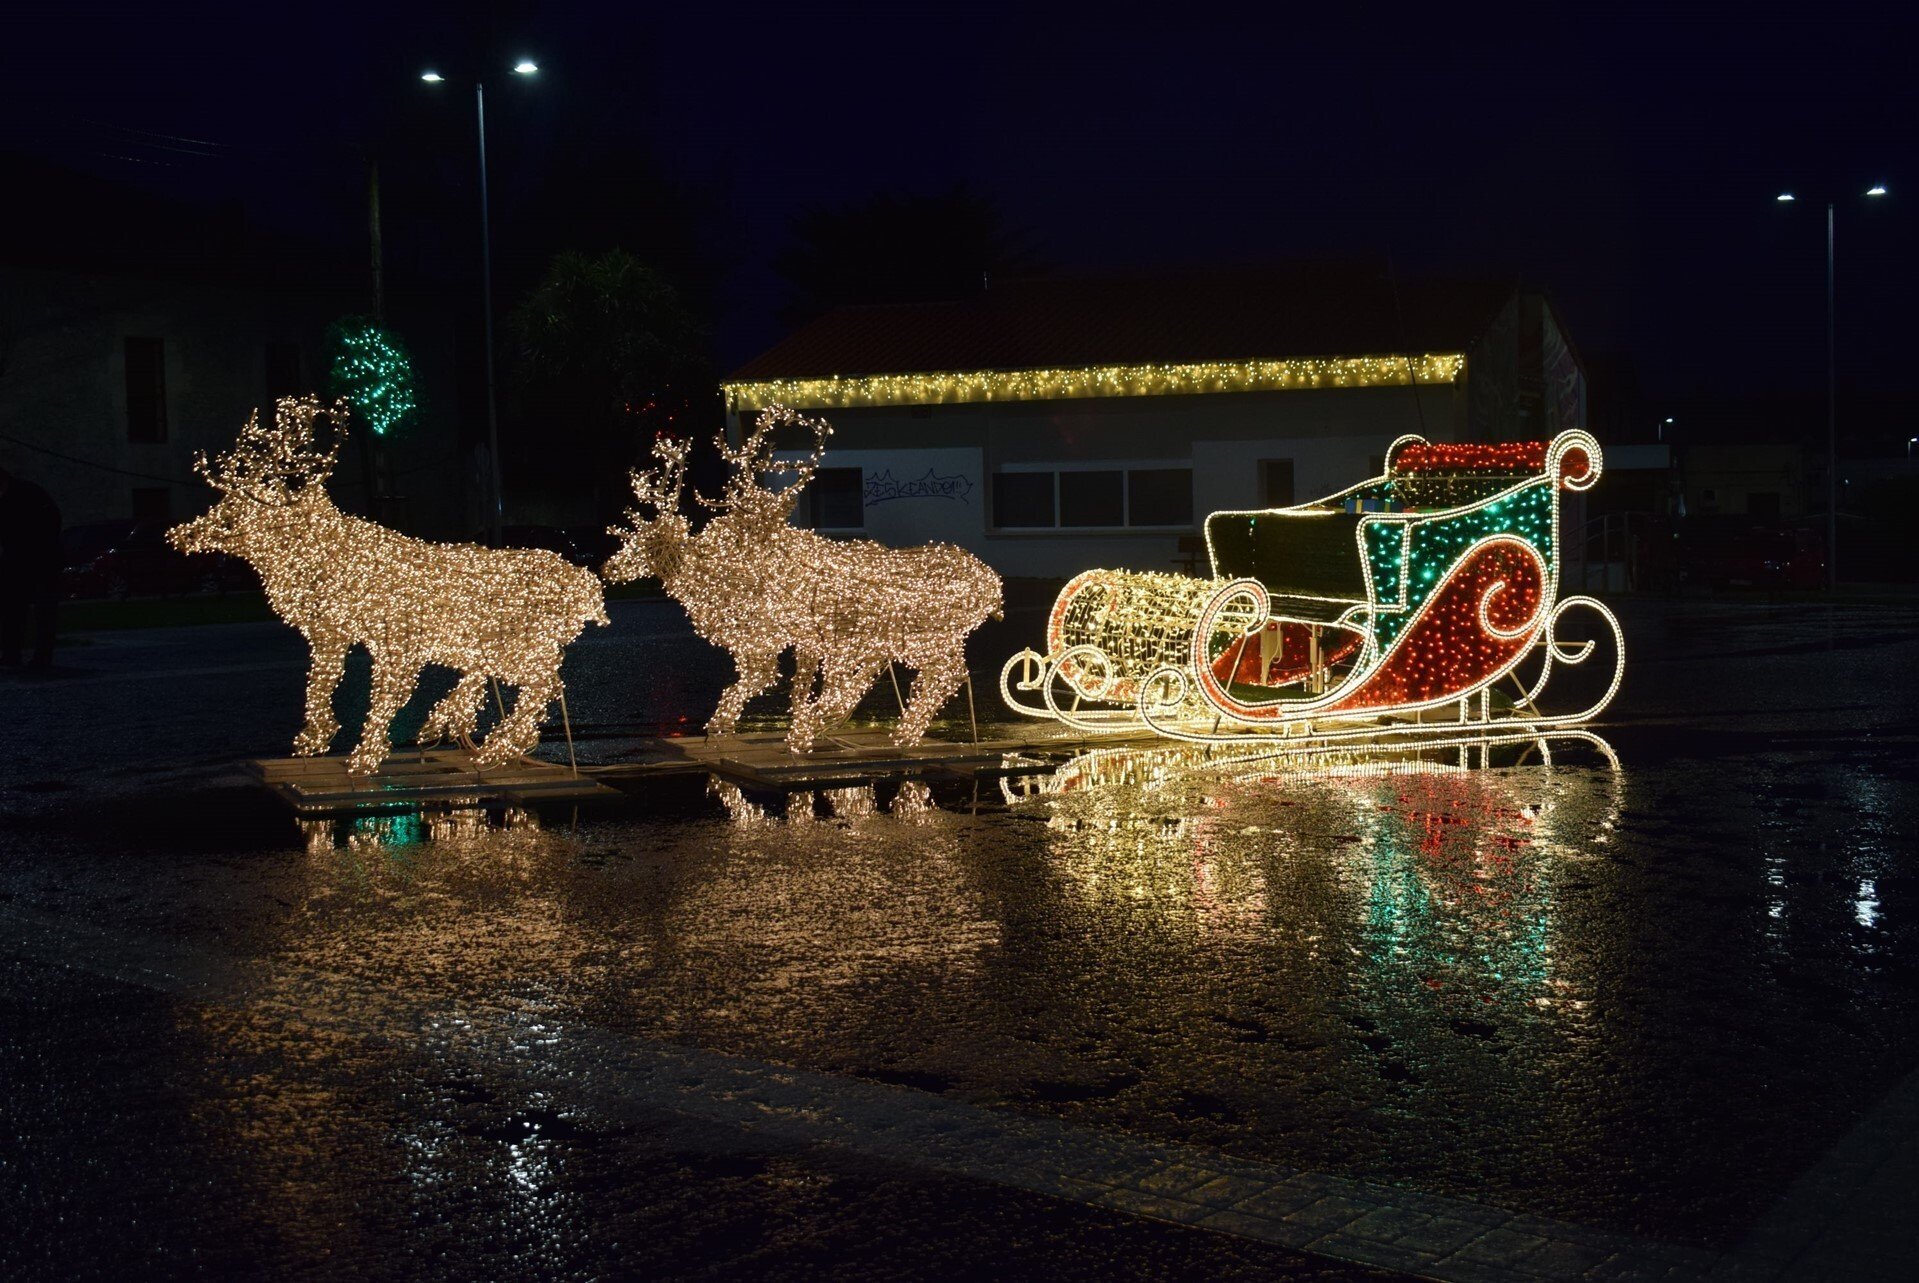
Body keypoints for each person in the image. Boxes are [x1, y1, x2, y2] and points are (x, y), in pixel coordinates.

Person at [0, 463, 62, 669]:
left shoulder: (28, 493)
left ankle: (41, 656)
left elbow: (51, 521)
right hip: (17, 562)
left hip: (42, 560)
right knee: (12, 608)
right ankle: (11, 654)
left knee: (44, 610)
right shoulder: (9, 498)